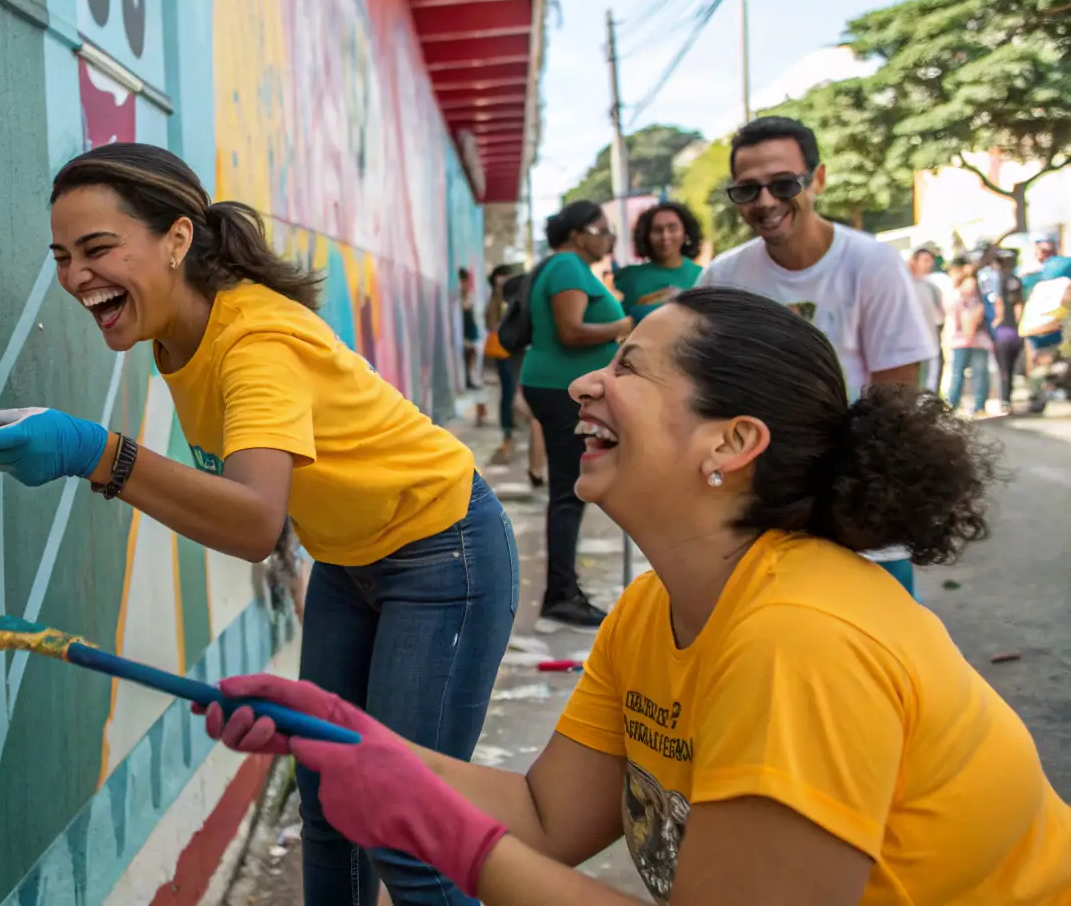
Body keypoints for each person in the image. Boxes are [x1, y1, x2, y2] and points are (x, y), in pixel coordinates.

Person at [201, 287, 1071, 906]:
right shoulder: (654, 610)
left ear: (730, 442)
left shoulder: (800, 639)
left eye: (627, 368)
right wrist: (353, 738)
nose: (583, 384)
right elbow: (547, 818)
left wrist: (442, 833)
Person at [0, 143, 519, 906]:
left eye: (96, 249)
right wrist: (98, 459)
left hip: (444, 556)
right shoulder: (174, 336)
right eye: (61, 256)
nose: (73, 277)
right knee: (327, 811)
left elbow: (256, 521)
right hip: (351, 565)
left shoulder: (255, 342)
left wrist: (98, 453)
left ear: (177, 240)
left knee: (403, 831)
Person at [697, 115, 936, 597]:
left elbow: (896, 399)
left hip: (853, 499)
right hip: (758, 506)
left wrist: (865, 502)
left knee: (874, 644)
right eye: (747, 190)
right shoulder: (723, 279)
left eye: (783, 183)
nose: (765, 202)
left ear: (817, 179)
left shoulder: (873, 265)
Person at [521, 200, 632, 632]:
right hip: (560, 389)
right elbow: (571, 331)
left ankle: (563, 590)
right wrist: (623, 326)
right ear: (577, 232)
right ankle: (560, 594)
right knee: (567, 495)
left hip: (556, 385)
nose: (608, 238)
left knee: (568, 494)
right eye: (601, 229)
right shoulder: (567, 267)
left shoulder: (567, 266)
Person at [483, 264, 545, 481]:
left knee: (525, 404)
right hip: (502, 354)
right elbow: (491, 324)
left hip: (519, 355)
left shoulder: (523, 301)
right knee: (511, 395)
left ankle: (535, 464)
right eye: (500, 277)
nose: (504, 280)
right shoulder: (495, 301)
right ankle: (509, 434)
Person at [614, 201, 705, 323]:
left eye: (672, 229)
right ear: (647, 236)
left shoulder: (701, 275)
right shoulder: (629, 277)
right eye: (657, 230)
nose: (665, 236)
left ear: (685, 233)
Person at [1022, 231, 1071, 413]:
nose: (1044, 254)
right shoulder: (1033, 274)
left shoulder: (1061, 270)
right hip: (1041, 331)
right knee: (1040, 367)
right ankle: (1038, 398)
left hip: (1054, 331)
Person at [944, 267, 994, 416]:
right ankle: (952, 404)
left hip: (979, 342)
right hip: (961, 342)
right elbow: (963, 325)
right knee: (958, 374)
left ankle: (979, 406)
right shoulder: (957, 302)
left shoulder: (982, 302)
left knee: (980, 374)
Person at [908, 245, 945, 391]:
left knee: (930, 382)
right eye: (925, 260)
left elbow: (941, 312)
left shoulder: (932, 286)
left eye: (930, 260)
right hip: (911, 344)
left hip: (931, 342)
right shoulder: (905, 285)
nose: (929, 263)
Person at [992, 248, 1025, 413]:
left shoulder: (995, 280)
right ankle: (1007, 400)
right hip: (1014, 331)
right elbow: (1018, 306)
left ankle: (1005, 401)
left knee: (1004, 369)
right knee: (1010, 369)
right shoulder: (1015, 280)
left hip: (1002, 331)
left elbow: (999, 304)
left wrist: (996, 321)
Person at [459, 267, 481, 391]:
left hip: (469, 332)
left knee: (471, 355)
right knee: (466, 357)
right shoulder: (457, 298)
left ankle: (470, 379)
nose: (465, 284)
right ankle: (467, 380)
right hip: (463, 333)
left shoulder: (468, 296)